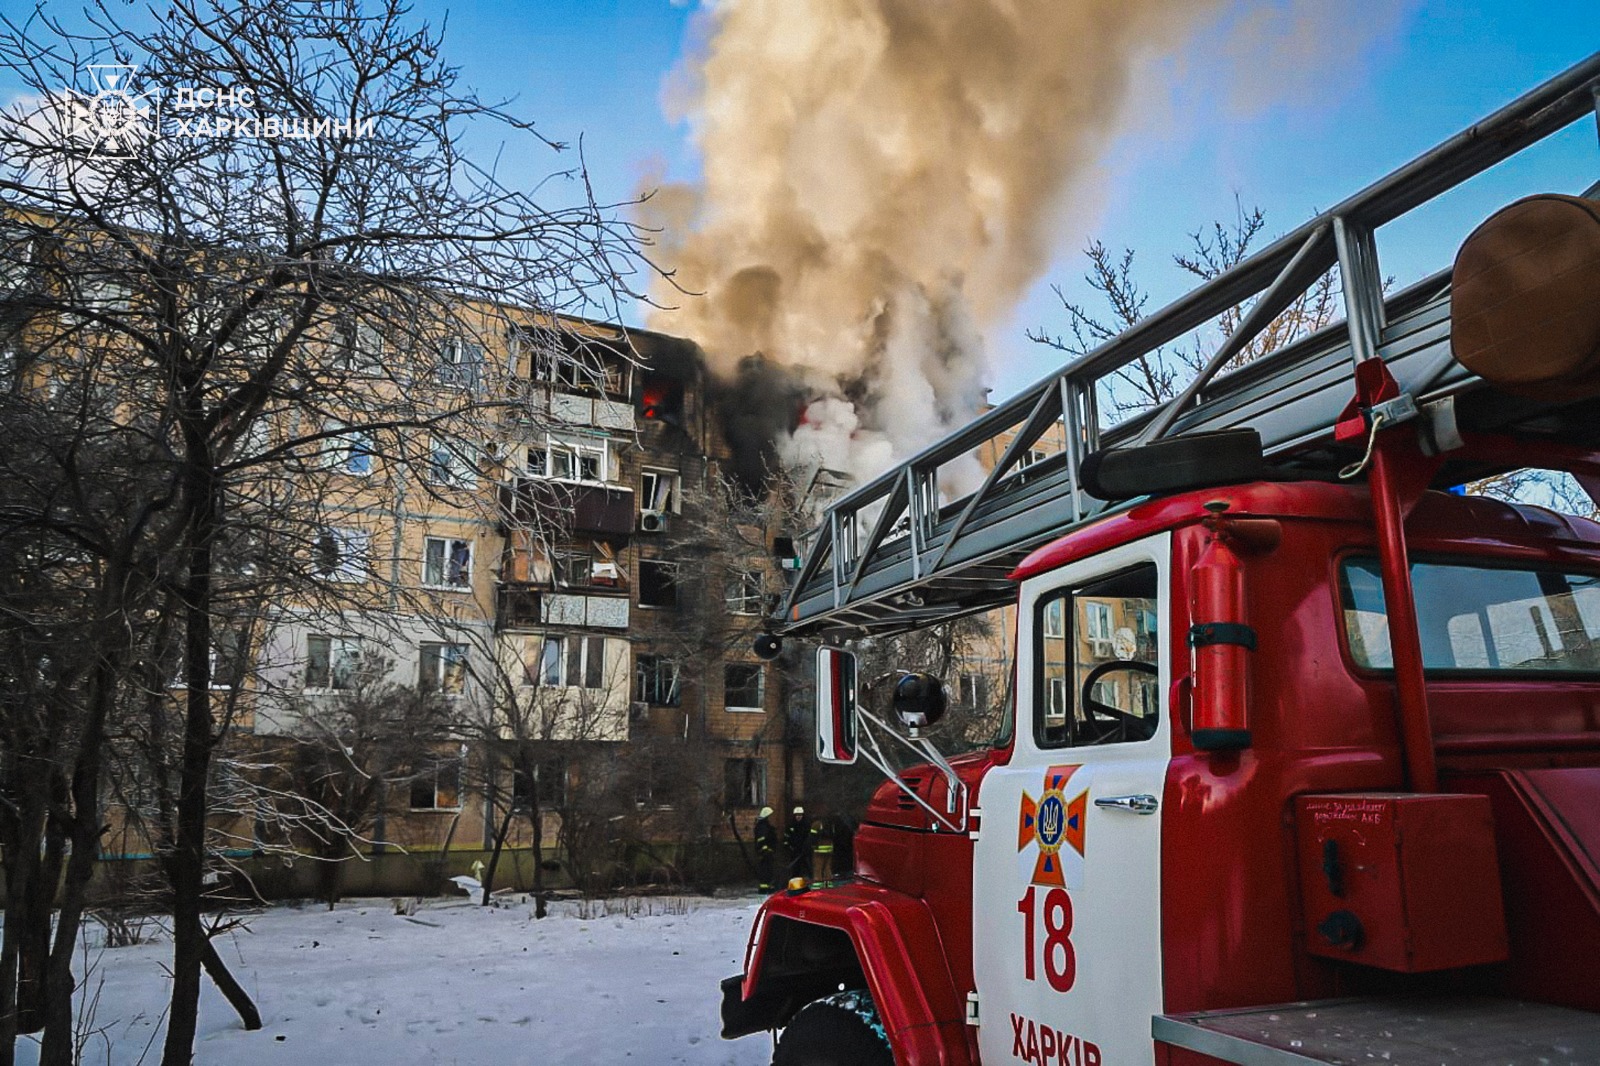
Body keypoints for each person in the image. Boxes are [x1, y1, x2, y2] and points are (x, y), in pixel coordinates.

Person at [785, 804, 812, 882]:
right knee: (795, 869)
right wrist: (789, 847)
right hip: (794, 851)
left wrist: (806, 848)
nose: (798, 817)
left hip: (804, 852)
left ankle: (808, 881)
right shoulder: (790, 826)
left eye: (800, 815)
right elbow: (786, 837)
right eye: (797, 815)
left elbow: (809, 838)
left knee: (807, 868)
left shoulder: (806, 825)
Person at [754, 806, 777, 891]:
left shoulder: (765, 826)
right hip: (764, 853)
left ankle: (767, 886)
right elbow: (761, 839)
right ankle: (764, 888)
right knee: (765, 870)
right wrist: (765, 849)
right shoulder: (762, 827)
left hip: (767, 852)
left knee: (768, 869)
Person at [811, 812, 836, 884]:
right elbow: (833, 836)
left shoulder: (816, 824)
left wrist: (812, 846)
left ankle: (818, 885)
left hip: (819, 850)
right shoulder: (831, 825)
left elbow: (812, 837)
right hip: (829, 850)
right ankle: (829, 884)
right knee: (827, 868)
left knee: (818, 869)